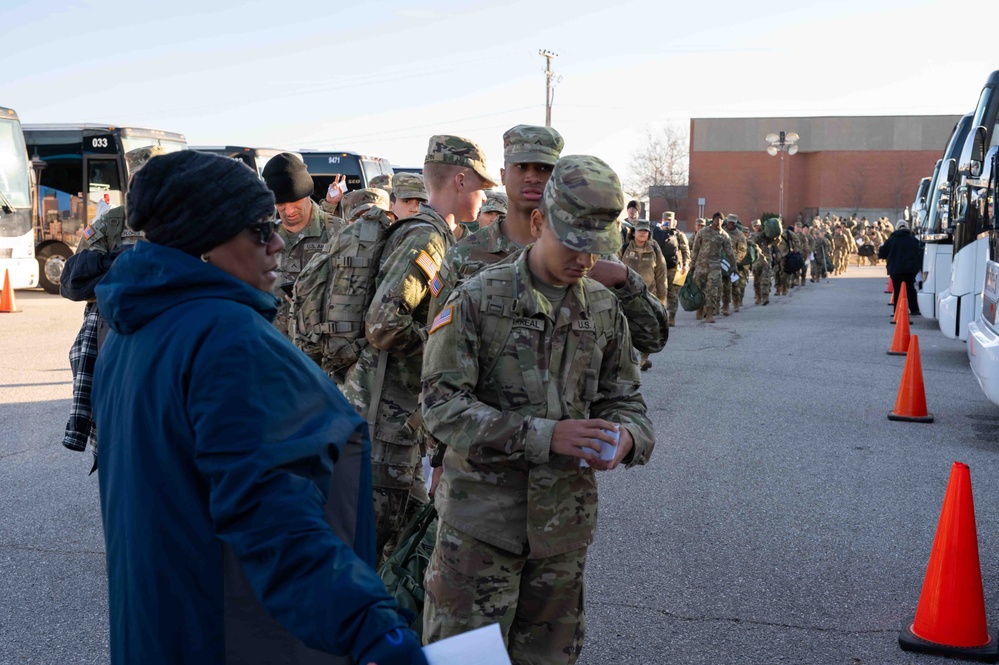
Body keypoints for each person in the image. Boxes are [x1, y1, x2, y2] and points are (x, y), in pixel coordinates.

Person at [91, 151, 426, 665]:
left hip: (156, 621)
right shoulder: (227, 339)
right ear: (205, 240)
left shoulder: (134, 324)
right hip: (223, 632)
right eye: (259, 229)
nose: (276, 243)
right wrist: (374, 632)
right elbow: (275, 519)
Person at [421, 154, 655, 664]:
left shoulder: (601, 307)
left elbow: (626, 400)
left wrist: (628, 438)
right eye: (573, 243)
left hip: (561, 535)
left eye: (596, 248)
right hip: (480, 533)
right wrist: (545, 436)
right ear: (538, 221)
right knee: (465, 660)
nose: (585, 261)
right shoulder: (477, 301)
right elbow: (440, 405)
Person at [341, 135, 494, 562]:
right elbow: (384, 324)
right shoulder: (426, 239)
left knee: (400, 549)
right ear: (460, 181)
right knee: (371, 554)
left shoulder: (438, 236)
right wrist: (443, 343)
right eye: (482, 186)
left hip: (394, 420)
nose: (485, 197)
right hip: (383, 422)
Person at [59, 145, 164, 458]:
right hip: (114, 337)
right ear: (131, 180)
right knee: (116, 434)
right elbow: (75, 281)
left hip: (165, 335)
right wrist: (119, 271)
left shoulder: (186, 222)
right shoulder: (112, 222)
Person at [262, 153, 344, 340]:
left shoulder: (340, 233)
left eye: (295, 201)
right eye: (281, 204)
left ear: (307, 194)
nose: (288, 211)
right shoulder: (264, 238)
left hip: (321, 353)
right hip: (275, 348)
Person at [620, 219, 666, 370]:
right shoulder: (625, 248)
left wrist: (662, 296)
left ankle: (644, 359)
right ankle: (627, 358)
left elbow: (661, 272)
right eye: (639, 230)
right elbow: (615, 267)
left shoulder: (654, 249)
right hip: (625, 295)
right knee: (625, 327)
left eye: (645, 231)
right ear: (633, 232)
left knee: (646, 327)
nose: (642, 233)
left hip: (648, 295)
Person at [689, 212, 735, 323]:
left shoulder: (724, 235)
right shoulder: (703, 232)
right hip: (701, 265)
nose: (718, 221)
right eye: (716, 219)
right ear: (713, 220)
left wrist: (734, 267)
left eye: (720, 220)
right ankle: (699, 309)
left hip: (715, 266)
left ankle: (709, 313)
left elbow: (730, 253)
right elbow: (695, 249)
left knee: (712, 289)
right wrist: (692, 265)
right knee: (699, 288)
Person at [652, 211, 690, 327]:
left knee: (672, 294)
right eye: (666, 220)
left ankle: (672, 316)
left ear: (675, 222)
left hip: (674, 269)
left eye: (670, 220)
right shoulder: (656, 233)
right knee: (659, 292)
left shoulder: (679, 235)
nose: (668, 222)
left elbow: (685, 251)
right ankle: (660, 316)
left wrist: (685, 265)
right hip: (658, 268)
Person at [878, 220, 922, 317]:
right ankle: (914, 309)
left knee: (897, 290)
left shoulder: (891, 239)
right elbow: (920, 252)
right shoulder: (913, 239)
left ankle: (897, 311)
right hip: (910, 270)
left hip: (895, 270)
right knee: (910, 289)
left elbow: (882, 253)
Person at [722, 214, 748, 314]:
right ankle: (723, 306)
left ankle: (735, 303)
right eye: (729, 222)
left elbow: (742, 250)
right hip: (721, 262)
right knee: (722, 286)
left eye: (733, 222)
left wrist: (735, 261)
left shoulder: (739, 235)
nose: (730, 224)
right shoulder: (721, 231)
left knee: (735, 286)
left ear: (736, 223)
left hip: (733, 264)